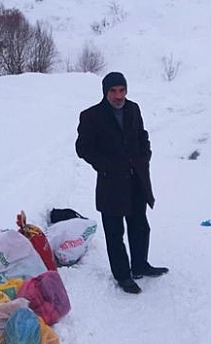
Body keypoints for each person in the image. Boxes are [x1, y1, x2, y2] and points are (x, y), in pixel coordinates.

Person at [75, 72, 168, 294]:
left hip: (136, 179)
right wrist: (105, 166)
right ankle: (123, 276)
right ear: (105, 92)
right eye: (113, 91)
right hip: (111, 184)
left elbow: (142, 135)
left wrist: (144, 156)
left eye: (122, 90)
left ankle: (140, 265)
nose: (118, 96)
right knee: (114, 233)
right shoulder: (91, 116)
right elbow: (82, 148)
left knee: (140, 226)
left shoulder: (133, 109)